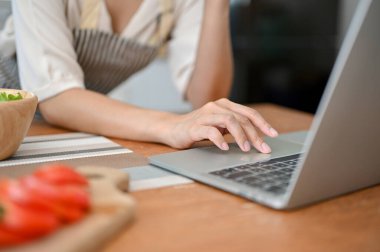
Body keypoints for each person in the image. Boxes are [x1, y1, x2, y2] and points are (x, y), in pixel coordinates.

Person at [0, 0, 278, 153]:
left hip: (64, 130)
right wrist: (171, 126)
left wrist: (217, 5)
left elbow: (206, 99)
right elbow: (56, 97)